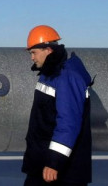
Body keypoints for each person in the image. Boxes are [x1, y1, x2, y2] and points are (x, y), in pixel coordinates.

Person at [22, 25, 93, 185]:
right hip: (43, 163)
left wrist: (54, 162)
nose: (32, 58)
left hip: (61, 170)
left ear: (48, 50)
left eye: (34, 52)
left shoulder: (67, 77)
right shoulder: (49, 75)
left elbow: (68, 123)